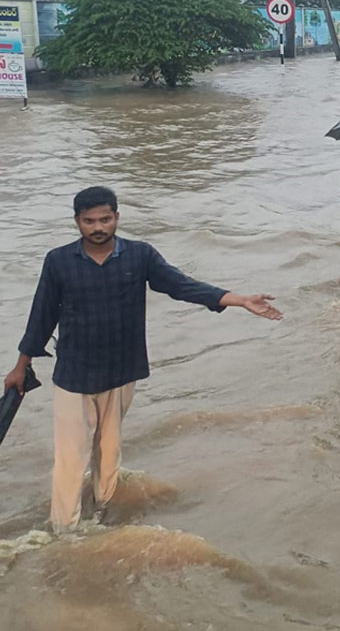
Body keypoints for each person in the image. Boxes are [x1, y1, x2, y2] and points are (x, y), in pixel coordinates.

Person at [3, 186, 283, 531]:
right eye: (89, 221)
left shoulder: (139, 255)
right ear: (77, 222)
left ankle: (103, 518)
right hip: (74, 373)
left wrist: (238, 300)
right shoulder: (58, 261)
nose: (98, 227)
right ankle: (64, 530)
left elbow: (181, 285)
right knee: (70, 456)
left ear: (117, 217)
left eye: (105, 219)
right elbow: (42, 316)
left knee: (108, 452)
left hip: (122, 370)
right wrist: (22, 365)